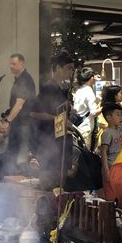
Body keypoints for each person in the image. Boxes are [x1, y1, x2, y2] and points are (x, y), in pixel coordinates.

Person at [30, 51, 75, 188]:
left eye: (72, 69)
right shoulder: (49, 87)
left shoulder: (59, 88)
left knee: (58, 182)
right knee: (51, 183)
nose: (71, 72)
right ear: (57, 68)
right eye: (68, 68)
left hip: (57, 142)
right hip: (49, 142)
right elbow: (33, 113)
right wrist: (57, 119)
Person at [5, 53, 36, 170]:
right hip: (20, 124)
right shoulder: (19, 80)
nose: (11, 66)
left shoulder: (25, 80)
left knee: (20, 156)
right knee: (16, 153)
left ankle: (20, 180)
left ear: (22, 63)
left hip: (24, 124)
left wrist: (8, 121)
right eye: (10, 64)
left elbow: (19, 104)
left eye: (14, 64)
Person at [99, 102, 122, 199]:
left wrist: (120, 107)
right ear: (109, 118)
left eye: (121, 114)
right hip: (111, 168)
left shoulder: (119, 129)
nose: (121, 117)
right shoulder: (107, 133)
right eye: (117, 114)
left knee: (120, 194)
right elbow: (103, 152)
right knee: (111, 196)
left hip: (120, 167)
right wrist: (106, 171)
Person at [72, 67, 99, 148]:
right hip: (85, 127)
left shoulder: (79, 90)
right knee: (85, 152)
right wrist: (103, 107)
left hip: (78, 126)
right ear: (91, 78)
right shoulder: (89, 91)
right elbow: (94, 112)